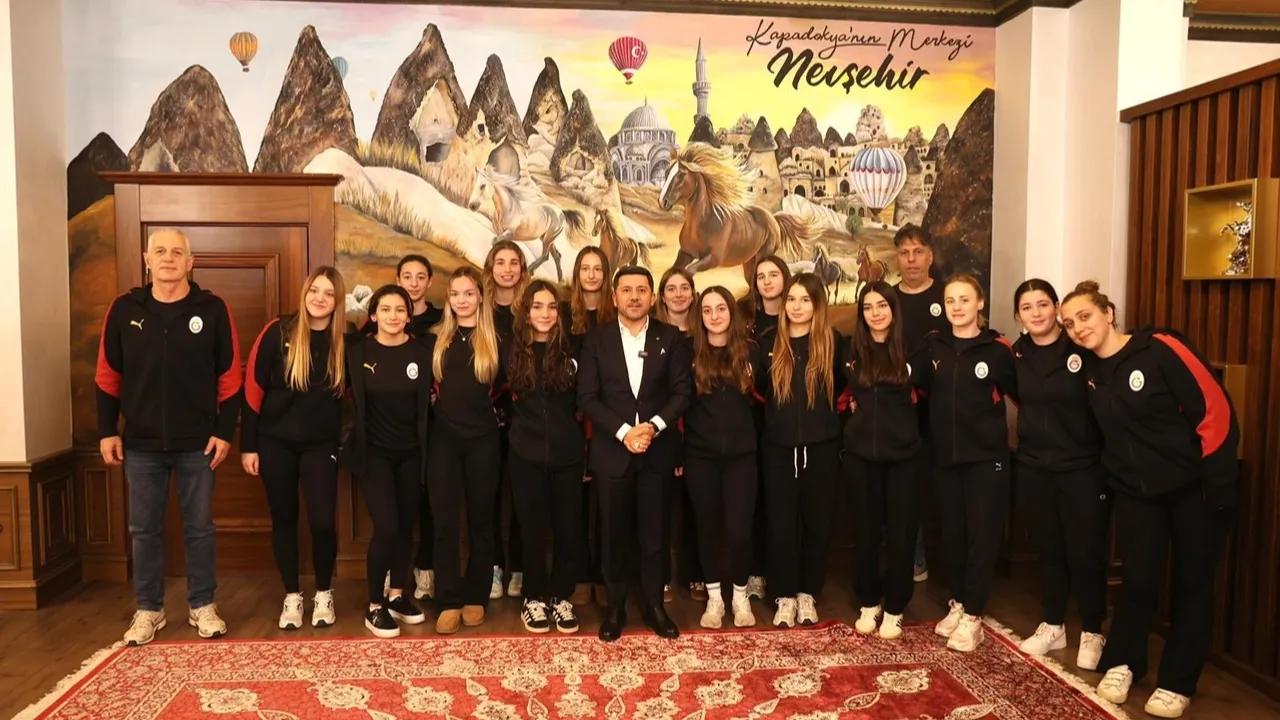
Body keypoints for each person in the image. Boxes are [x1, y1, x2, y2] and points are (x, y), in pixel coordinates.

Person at [1062, 281, 1238, 719]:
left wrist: (1218, 485)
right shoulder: (1088, 371)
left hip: (1193, 489)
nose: (1078, 328)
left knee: (1192, 584)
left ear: (1108, 313)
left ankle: (1177, 683)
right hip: (1135, 492)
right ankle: (1124, 663)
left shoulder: (1160, 348)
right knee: (1137, 581)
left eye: (1085, 316)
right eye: (1069, 323)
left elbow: (1215, 410)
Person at [96, 227, 240, 646]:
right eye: (160, 251)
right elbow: (107, 376)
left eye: (177, 252)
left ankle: (202, 605)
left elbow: (230, 377)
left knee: (200, 528)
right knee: (143, 529)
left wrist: (224, 432)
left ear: (190, 262)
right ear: (147, 260)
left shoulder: (212, 309)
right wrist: (107, 431)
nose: (168, 258)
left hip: (198, 443)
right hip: (140, 443)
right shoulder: (125, 309)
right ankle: (149, 609)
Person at [577, 265, 692, 641]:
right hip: (613, 452)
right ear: (614, 297)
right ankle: (615, 608)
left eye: (641, 290)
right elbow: (587, 398)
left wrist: (652, 427)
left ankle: (655, 606)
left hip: (657, 452)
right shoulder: (596, 340)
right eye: (626, 290)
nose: (634, 297)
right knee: (612, 534)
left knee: (655, 534)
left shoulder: (669, 337)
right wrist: (626, 433)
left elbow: (682, 392)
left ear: (652, 297)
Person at [1010, 279, 1109, 671]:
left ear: (1056, 308)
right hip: (1034, 466)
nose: (1036, 313)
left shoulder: (1081, 349)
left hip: (1082, 468)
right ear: (1018, 316)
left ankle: (1093, 629)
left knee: (1085, 552)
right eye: (1027, 307)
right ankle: (1053, 624)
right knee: (1049, 549)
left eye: (1042, 304)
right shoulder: (1016, 354)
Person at [241, 267, 347, 631]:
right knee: (284, 519)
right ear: (305, 293)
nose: (320, 298)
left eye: (328, 293)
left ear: (337, 301)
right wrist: (248, 446)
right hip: (275, 443)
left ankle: (323, 593)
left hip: (321, 445)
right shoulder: (278, 331)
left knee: (322, 522)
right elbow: (252, 389)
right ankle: (291, 596)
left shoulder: (344, 341)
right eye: (314, 290)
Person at [926, 274, 1017, 653]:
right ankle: (960, 602)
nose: (957, 307)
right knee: (953, 535)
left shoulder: (998, 350)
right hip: (946, 458)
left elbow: (1022, 396)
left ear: (980, 303)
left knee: (982, 536)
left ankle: (974, 615)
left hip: (986, 459)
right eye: (951, 301)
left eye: (965, 299)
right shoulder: (935, 345)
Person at [345, 285, 433, 638]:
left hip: (412, 453)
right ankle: (374, 605)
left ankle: (397, 595)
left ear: (409, 317)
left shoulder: (422, 351)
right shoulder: (357, 351)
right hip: (375, 454)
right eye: (385, 309)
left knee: (406, 526)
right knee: (386, 527)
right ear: (374, 315)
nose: (393, 316)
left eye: (400, 310)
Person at [760, 272, 847, 629]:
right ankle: (784, 595)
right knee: (780, 525)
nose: (797, 307)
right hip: (778, 449)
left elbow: (846, 389)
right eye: (791, 299)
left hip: (821, 449)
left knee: (818, 523)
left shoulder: (833, 343)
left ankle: (808, 592)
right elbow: (758, 392)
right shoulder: (768, 343)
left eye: (805, 300)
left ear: (817, 305)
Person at [844, 281, 929, 641]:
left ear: (893, 309)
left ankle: (894, 607)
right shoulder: (850, 350)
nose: (875, 313)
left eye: (882, 305)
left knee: (901, 535)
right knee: (864, 532)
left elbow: (927, 394)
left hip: (904, 457)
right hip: (860, 456)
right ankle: (869, 601)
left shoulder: (915, 349)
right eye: (868, 307)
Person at [428, 267, 507, 634]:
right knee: (444, 523)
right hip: (443, 442)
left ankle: (476, 595)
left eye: (468, 293)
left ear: (480, 297)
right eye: (455, 293)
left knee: (481, 521)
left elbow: (509, 392)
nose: (462, 300)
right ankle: (448, 600)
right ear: (449, 299)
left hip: (483, 442)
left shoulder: (496, 341)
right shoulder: (436, 340)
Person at [505, 280, 584, 634]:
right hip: (525, 454)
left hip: (568, 454)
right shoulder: (510, 351)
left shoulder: (573, 350)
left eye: (552, 306)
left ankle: (560, 596)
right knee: (532, 529)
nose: (545, 313)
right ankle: (534, 597)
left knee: (568, 529)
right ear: (526, 312)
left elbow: (586, 401)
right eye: (537, 306)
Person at [683, 286, 762, 629]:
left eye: (721, 308)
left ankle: (740, 596)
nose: (714, 316)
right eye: (707, 310)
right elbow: (679, 404)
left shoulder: (751, 351)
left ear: (732, 312)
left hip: (742, 457)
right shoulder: (688, 352)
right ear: (700, 316)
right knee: (707, 528)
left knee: (740, 531)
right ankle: (715, 598)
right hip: (700, 456)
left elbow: (766, 400)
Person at [891, 224, 948, 585]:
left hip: (940, 409)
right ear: (896, 259)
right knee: (904, 487)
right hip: (898, 409)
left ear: (930, 256)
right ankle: (913, 557)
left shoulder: (947, 296)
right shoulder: (887, 298)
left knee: (937, 486)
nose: (911, 260)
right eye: (904, 253)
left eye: (918, 252)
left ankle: (949, 566)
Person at [563, 246, 615, 607]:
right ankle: (580, 574)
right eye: (585, 268)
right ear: (577, 274)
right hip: (573, 418)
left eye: (598, 268)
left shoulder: (617, 315)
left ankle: (604, 575)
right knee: (576, 504)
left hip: (611, 419)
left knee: (609, 504)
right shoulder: (565, 314)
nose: (592, 275)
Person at [739, 255, 791, 602]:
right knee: (754, 500)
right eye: (761, 276)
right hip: (752, 419)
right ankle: (755, 572)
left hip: (788, 421)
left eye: (774, 275)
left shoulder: (797, 314)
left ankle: (780, 573)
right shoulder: (746, 318)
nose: (767, 281)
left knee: (780, 502)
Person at [655, 267, 703, 604]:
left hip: (701, 429)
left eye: (684, 287)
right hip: (663, 429)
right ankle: (660, 577)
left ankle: (696, 573)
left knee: (695, 505)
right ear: (661, 296)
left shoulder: (704, 332)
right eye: (671, 288)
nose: (678, 294)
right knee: (658, 507)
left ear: (693, 294)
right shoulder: (653, 334)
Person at [483, 241, 526, 599]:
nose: (507, 269)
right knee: (491, 495)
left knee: (523, 495)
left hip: (526, 416)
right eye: (501, 262)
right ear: (491, 267)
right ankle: (494, 566)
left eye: (514, 263)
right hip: (486, 415)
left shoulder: (531, 309)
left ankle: (520, 567)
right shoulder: (480, 309)